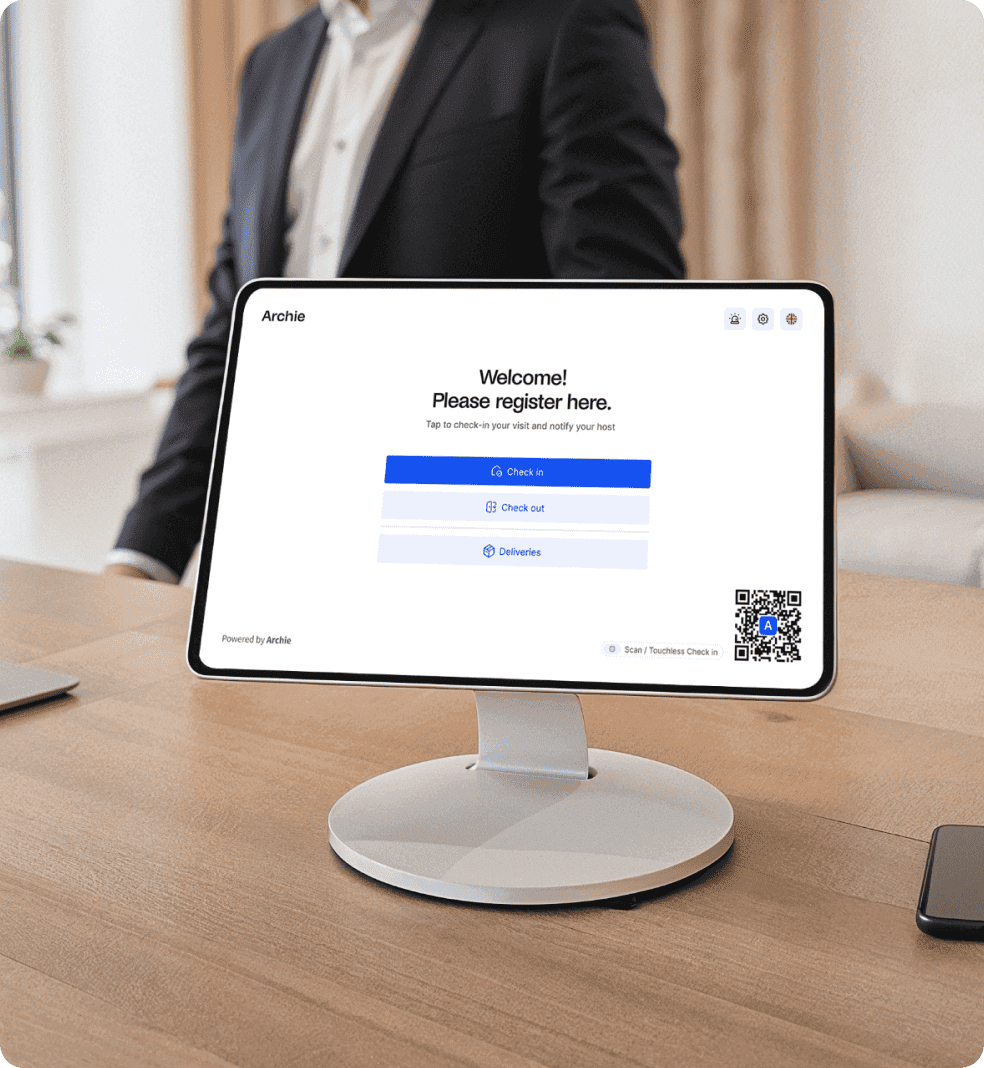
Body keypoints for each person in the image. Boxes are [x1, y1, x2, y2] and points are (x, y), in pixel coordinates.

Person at [106, 0, 686, 583]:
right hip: (289, 552)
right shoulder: (271, 63)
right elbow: (234, 331)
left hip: (479, 547)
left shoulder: (565, 23)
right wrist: (142, 554)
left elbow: (622, 313)